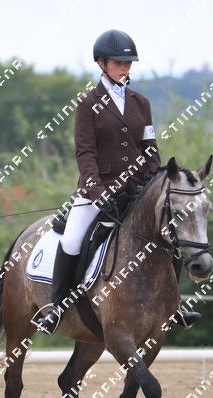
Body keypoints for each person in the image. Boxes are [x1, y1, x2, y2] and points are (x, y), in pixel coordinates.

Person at [32, 29, 201, 334]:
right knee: (71, 240)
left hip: (137, 190)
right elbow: (85, 153)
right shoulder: (88, 103)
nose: (124, 67)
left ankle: (173, 304)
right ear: (101, 63)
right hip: (98, 191)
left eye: (128, 62)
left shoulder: (141, 103)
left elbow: (150, 149)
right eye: (118, 62)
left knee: (169, 231)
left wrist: (153, 181)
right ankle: (57, 307)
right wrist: (97, 191)